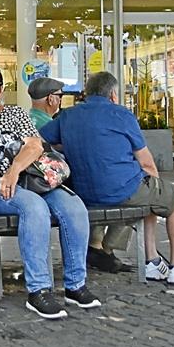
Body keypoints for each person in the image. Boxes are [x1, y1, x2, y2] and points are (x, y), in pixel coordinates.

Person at [0, 62, 100, 320]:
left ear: (1, 89)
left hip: (30, 179)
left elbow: (35, 146)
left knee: (74, 207)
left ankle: (76, 285)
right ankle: (39, 290)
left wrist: (14, 170)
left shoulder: (15, 114)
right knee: (34, 207)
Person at [41, 70, 174, 289]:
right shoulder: (121, 115)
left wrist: (65, 145)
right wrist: (155, 182)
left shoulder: (67, 116)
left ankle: (154, 259)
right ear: (113, 94)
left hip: (82, 194)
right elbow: (146, 162)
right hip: (121, 190)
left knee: (151, 192)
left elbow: (37, 139)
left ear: (87, 94)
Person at [28, 78, 131, 273]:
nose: (61, 100)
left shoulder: (30, 119)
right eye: (60, 96)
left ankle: (98, 248)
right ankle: (103, 249)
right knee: (124, 192)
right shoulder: (52, 123)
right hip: (65, 186)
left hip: (52, 185)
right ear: (51, 99)